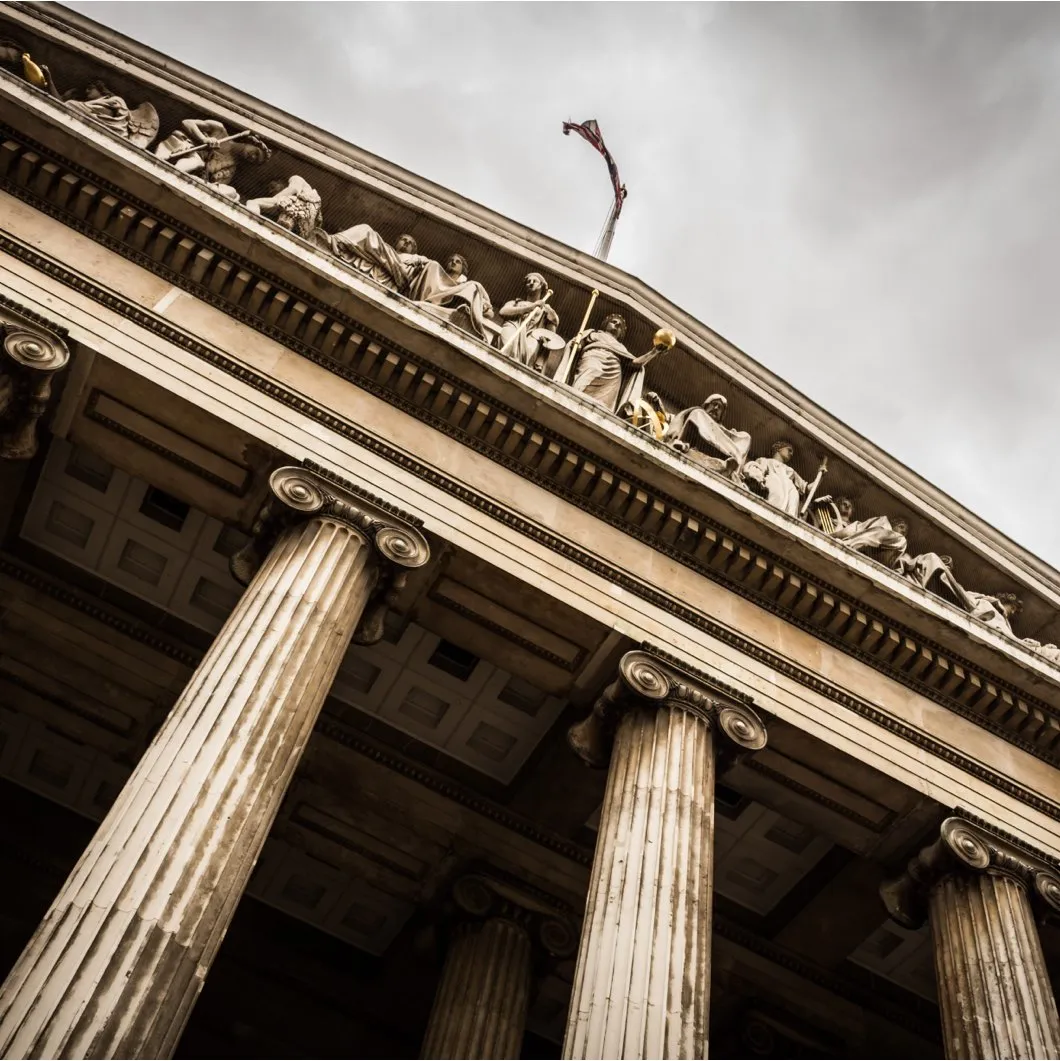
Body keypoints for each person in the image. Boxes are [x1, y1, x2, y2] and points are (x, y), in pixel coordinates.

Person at [154, 117, 271, 201]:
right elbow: (187, 122)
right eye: (256, 152)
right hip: (183, 148)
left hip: (193, 172)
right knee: (196, 161)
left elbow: (214, 187)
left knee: (198, 163)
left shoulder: (230, 169)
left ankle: (173, 175)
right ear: (251, 143)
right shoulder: (219, 130)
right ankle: (171, 174)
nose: (253, 157)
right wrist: (204, 139)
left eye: (255, 160)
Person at [406, 252, 494, 344]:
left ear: (462, 269)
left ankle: (463, 309)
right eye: (451, 261)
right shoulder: (437, 276)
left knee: (475, 284)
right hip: (433, 300)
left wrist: (483, 308)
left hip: (452, 311)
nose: (453, 262)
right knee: (433, 264)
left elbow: (490, 313)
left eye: (458, 262)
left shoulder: (466, 286)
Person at [663, 393, 751, 482]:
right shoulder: (699, 414)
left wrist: (731, 435)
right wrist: (658, 405)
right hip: (698, 443)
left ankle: (728, 462)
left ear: (722, 414)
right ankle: (685, 445)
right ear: (706, 405)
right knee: (697, 412)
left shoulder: (723, 431)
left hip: (723, 447)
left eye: (720, 407)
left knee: (746, 437)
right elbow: (672, 420)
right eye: (714, 404)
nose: (716, 408)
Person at [65, 80, 159, 148]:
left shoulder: (116, 100)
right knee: (70, 104)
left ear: (100, 89)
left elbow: (91, 109)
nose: (87, 91)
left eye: (90, 88)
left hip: (114, 130)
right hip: (96, 125)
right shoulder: (92, 103)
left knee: (71, 104)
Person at [497, 272, 560, 370]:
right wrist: (531, 307)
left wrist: (551, 315)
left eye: (535, 281)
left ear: (541, 286)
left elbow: (551, 334)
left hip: (531, 335)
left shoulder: (545, 309)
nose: (531, 283)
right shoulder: (516, 302)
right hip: (513, 327)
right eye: (528, 281)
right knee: (508, 342)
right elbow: (503, 311)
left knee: (532, 348)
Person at [829, 498, 908, 568]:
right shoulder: (882, 522)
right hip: (863, 547)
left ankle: (852, 542)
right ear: (893, 523)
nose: (902, 532)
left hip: (870, 551)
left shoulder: (900, 541)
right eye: (901, 527)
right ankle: (853, 542)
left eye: (904, 532)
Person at [741, 440, 810, 517]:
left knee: (790, 515)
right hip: (774, 488)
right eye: (789, 450)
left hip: (791, 493)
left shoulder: (791, 470)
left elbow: (806, 488)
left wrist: (821, 474)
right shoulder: (765, 461)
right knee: (771, 510)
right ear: (779, 448)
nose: (791, 454)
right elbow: (757, 472)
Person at [245, 175, 322, 238]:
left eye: (272, 187)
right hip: (304, 223)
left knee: (252, 202)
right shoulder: (283, 206)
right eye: (269, 191)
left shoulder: (295, 178)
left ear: (280, 182)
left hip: (304, 211)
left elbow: (293, 189)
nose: (271, 191)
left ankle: (250, 225)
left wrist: (273, 200)